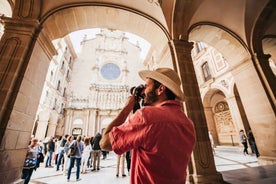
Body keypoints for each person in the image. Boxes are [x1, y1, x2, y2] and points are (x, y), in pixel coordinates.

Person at [100, 67, 196, 183]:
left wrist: (127, 108)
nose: (144, 91)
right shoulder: (188, 123)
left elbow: (104, 143)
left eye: (146, 86)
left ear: (160, 89)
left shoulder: (146, 116)